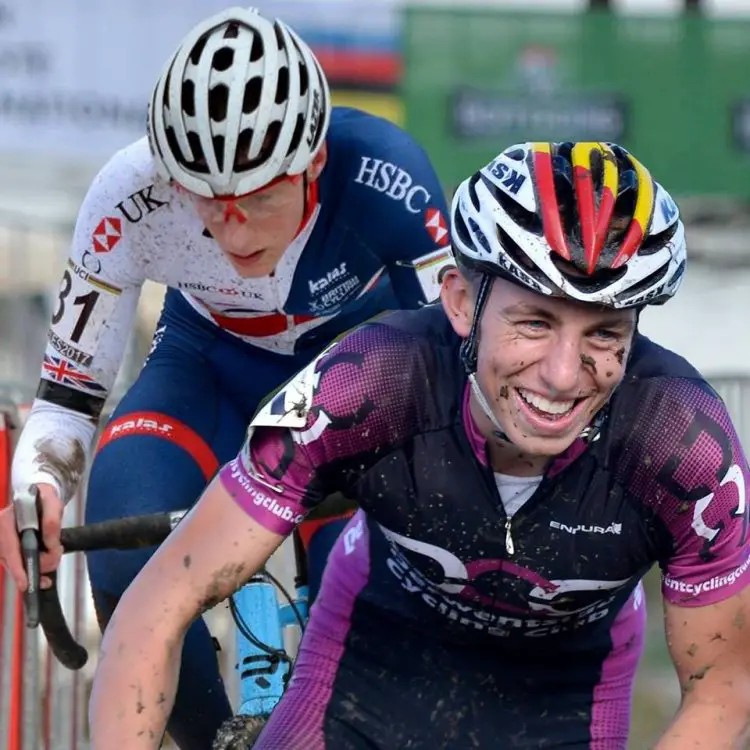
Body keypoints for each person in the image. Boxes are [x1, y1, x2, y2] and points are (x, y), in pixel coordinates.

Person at [86, 139, 750, 749]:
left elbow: (721, 686)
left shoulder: (682, 442)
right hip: (367, 668)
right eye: (534, 322)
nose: (562, 373)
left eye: (604, 334)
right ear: (460, 302)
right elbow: (159, 603)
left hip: (564, 700)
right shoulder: (372, 380)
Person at [0, 7, 453, 749]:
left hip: (356, 380)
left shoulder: (386, 174)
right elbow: (65, 399)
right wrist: (38, 492)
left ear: (311, 164)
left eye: (259, 200)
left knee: (378, 566)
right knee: (121, 532)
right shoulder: (130, 193)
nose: (233, 228)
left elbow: (458, 376)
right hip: (209, 364)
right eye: (207, 202)